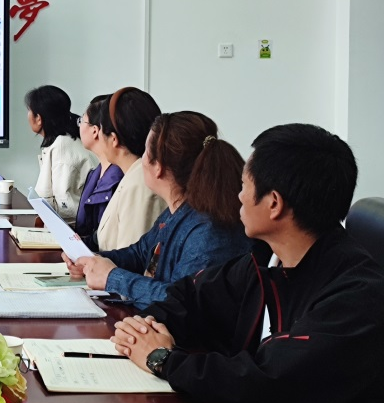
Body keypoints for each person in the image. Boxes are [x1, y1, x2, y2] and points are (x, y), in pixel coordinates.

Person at [112, 124, 384, 403]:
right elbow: (192, 296)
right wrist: (148, 327)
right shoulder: (268, 259)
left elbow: (270, 380)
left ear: (274, 203)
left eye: (245, 185)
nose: (238, 195)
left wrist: (164, 360)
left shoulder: (357, 295)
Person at [72, 112, 254, 309]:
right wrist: (92, 261)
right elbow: (140, 253)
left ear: (158, 167)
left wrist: (112, 277)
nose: (141, 159)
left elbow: (181, 303)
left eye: (145, 152)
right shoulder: (179, 210)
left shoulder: (209, 231)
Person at [93, 87, 165, 251]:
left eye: (101, 128)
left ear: (113, 139)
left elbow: (131, 259)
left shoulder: (139, 183)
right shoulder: (133, 174)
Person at [25, 85, 96, 223]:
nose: (27, 115)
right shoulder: (63, 141)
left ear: (38, 118)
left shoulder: (62, 146)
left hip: (71, 230)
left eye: (29, 110)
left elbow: (67, 209)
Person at [74, 95, 123, 241]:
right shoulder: (96, 173)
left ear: (95, 131)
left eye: (81, 121)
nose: (79, 126)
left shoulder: (119, 177)